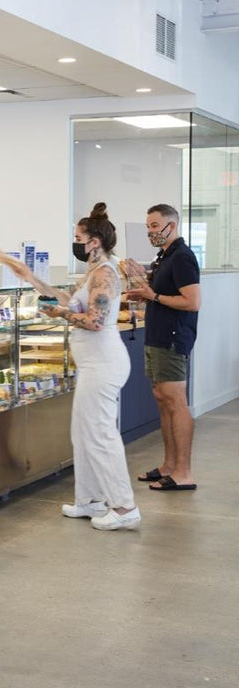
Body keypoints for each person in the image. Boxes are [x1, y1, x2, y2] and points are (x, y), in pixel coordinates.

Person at [15, 203, 141, 530]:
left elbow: (95, 321)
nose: (74, 243)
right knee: (82, 434)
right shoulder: (91, 272)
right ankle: (90, 500)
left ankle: (124, 508)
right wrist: (31, 278)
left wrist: (61, 316)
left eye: (77, 237)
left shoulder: (105, 274)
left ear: (94, 241)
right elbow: (63, 296)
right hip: (92, 364)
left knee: (100, 435)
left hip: (103, 363)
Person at [126, 204, 200, 492]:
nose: (150, 232)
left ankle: (184, 472)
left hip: (172, 339)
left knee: (176, 403)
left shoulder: (182, 257)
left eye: (155, 226)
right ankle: (169, 465)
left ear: (172, 225)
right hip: (156, 337)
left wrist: (152, 294)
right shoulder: (164, 256)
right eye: (148, 227)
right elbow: (160, 295)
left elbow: (192, 302)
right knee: (162, 399)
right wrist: (143, 288)